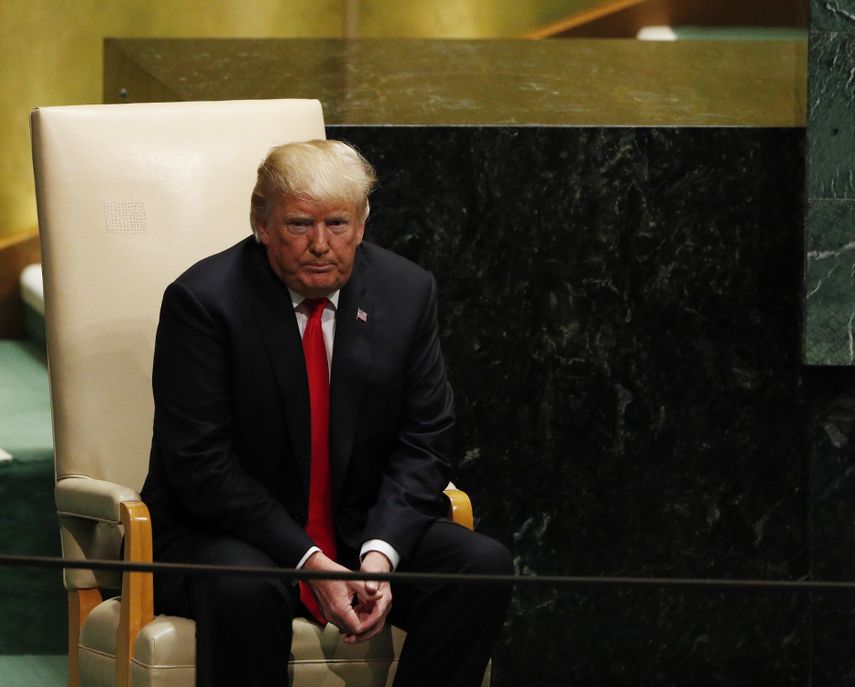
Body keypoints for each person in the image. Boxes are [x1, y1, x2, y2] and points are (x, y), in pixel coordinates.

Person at [140, 139, 512, 687]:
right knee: (245, 584)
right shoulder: (204, 302)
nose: (320, 244)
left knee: (480, 567)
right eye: (298, 224)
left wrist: (379, 556)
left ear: (362, 225)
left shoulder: (406, 293)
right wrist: (308, 559)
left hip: (357, 524)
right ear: (261, 224)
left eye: (338, 223)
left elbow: (426, 439)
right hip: (226, 533)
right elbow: (201, 465)